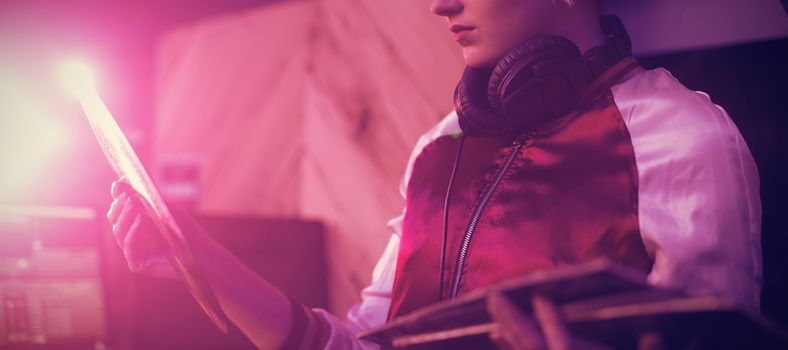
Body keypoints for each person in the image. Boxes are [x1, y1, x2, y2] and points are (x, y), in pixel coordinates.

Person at [107, 0, 762, 349]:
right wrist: (200, 260)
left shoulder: (683, 141)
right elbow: (363, 346)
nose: (439, 3)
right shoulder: (438, 148)